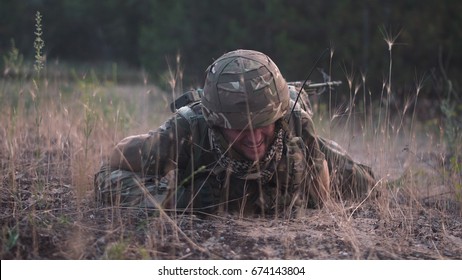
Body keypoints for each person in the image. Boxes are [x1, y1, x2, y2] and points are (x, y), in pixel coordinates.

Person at [94, 49, 376, 216]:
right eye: (239, 128)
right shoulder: (189, 132)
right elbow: (108, 173)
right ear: (216, 123)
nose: (253, 138)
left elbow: (356, 191)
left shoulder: (296, 126)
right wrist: (175, 200)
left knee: (366, 185)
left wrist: (314, 186)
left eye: (262, 124)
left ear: (277, 117)